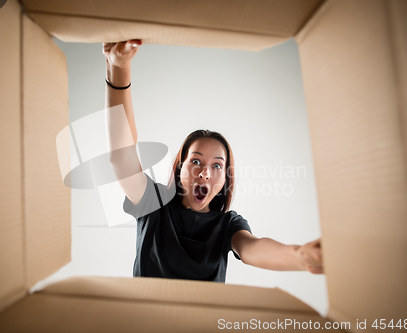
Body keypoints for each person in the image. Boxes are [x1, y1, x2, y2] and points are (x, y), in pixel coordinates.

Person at [103, 39, 323, 282]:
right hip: (146, 319)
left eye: (217, 165)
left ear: (225, 178)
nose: (205, 173)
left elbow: (252, 250)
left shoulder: (228, 224)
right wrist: (119, 68)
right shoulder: (152, 204)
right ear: (179, 169)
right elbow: (122, 157)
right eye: (196, 161)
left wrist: (300, 256)